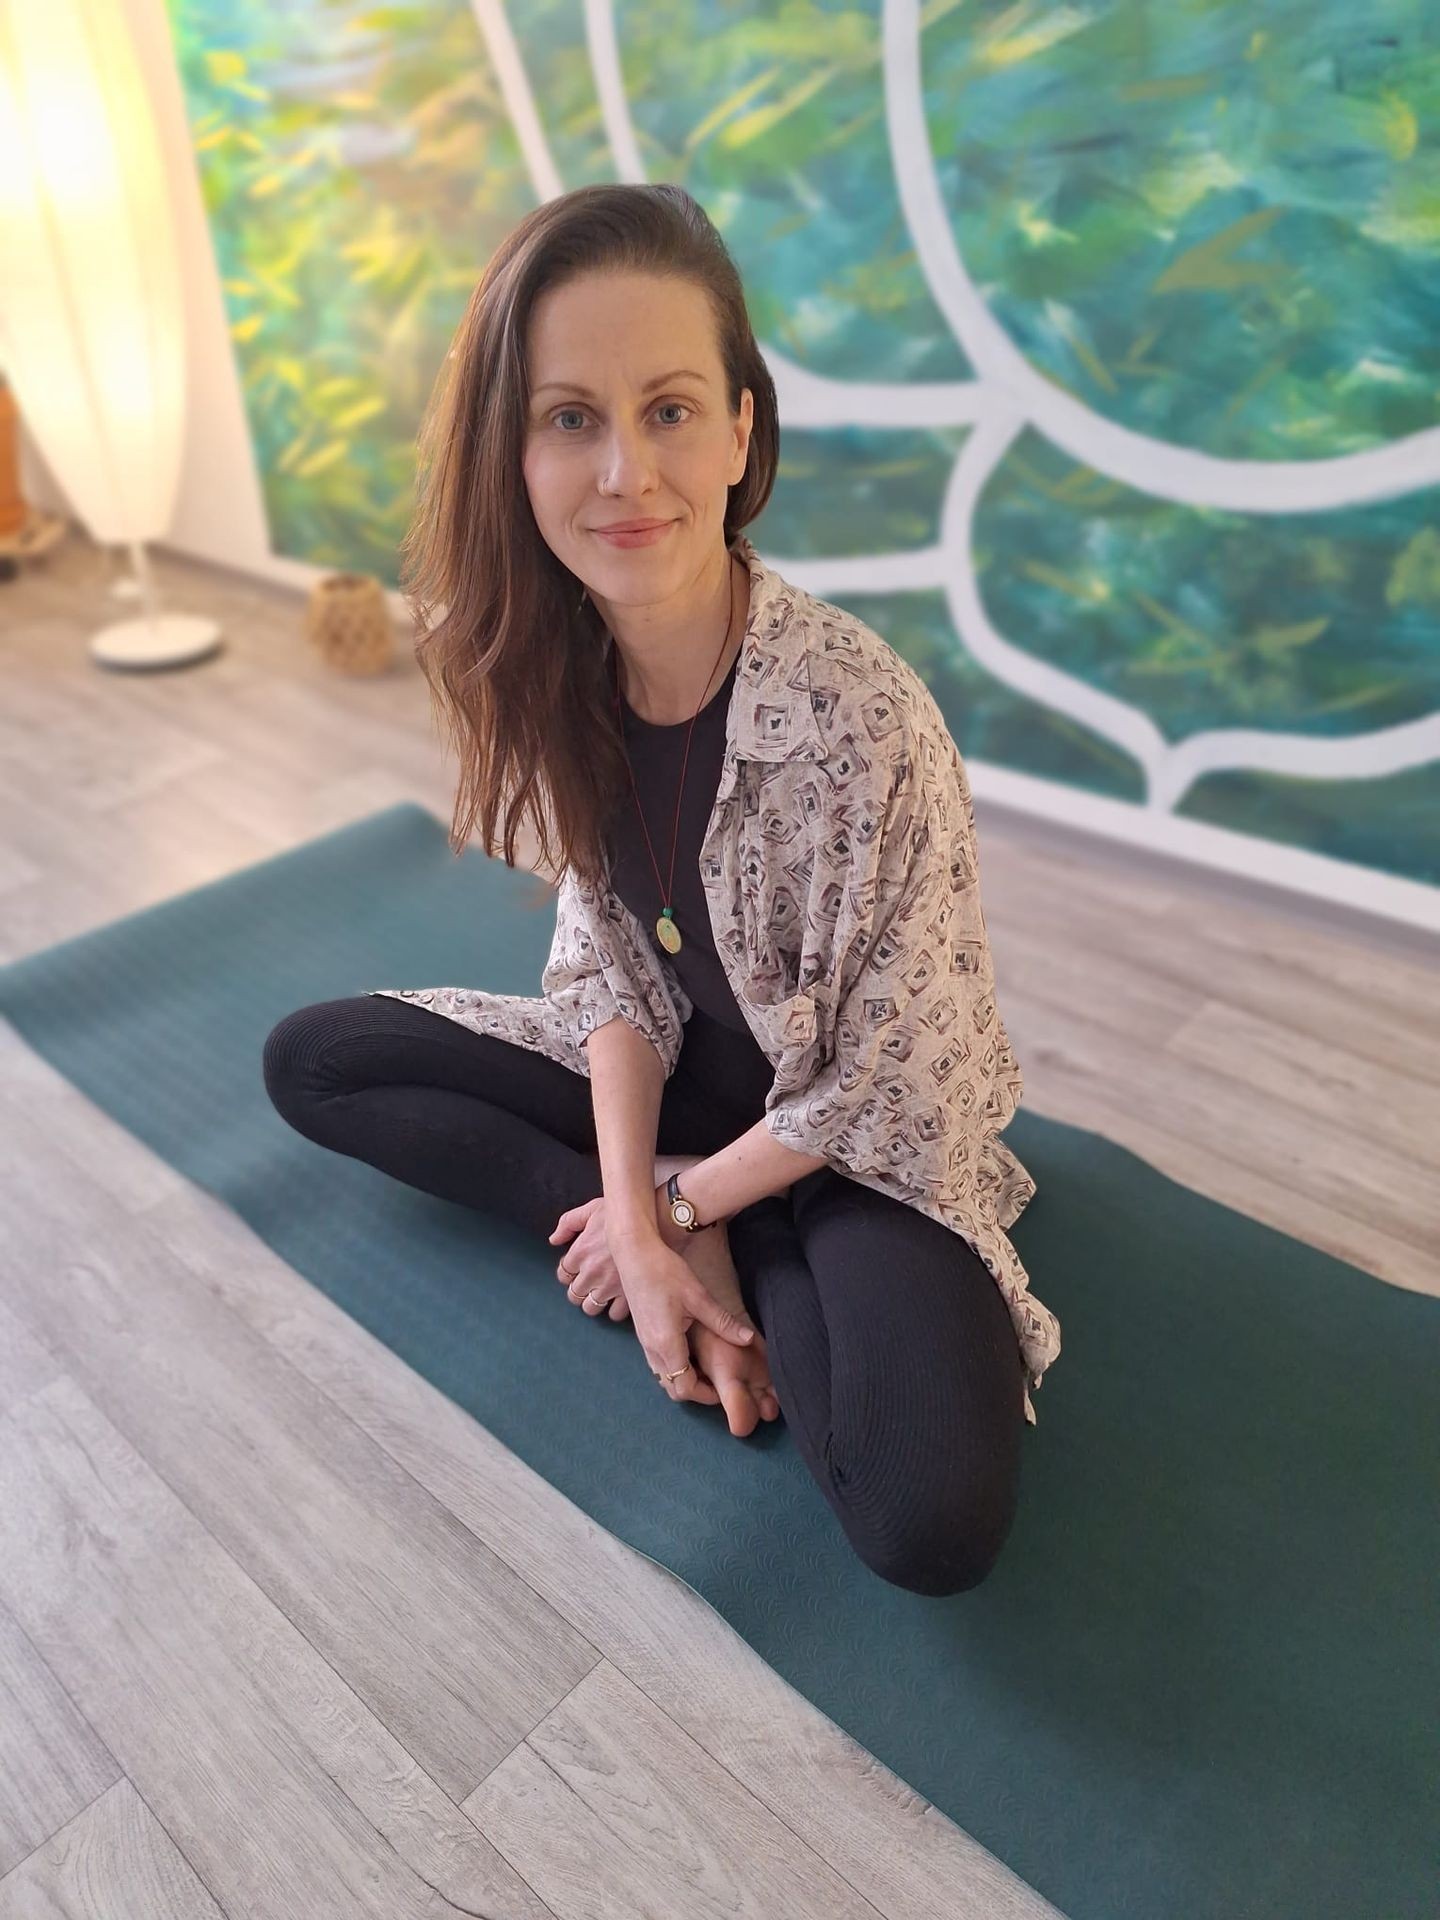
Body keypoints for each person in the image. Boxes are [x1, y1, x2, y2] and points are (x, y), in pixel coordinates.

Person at [262, 183, 1060, 1597]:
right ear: (515, 453)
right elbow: (612, 962)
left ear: (743, 427)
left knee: (924, 1518)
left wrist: (693, 1214)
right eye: (570, 418)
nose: (625, 471)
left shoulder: (861, 717)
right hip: (686, 1089)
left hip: (854, 1140)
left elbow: (891, 1080)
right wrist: (639, 1218)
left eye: (672, 409)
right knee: (315, 1062)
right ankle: (648, 1237)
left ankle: (718, 1232)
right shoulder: (560, 668)